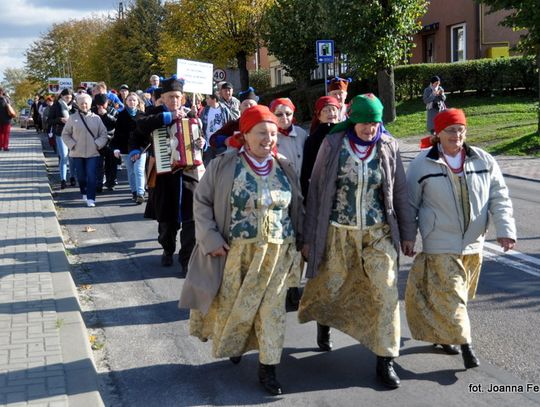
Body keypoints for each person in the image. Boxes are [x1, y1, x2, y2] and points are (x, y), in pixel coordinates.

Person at [180, 105, 304, 396]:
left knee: (272, 311)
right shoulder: (224, 165)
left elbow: (298, 206)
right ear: (245, 134)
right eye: (262, 133)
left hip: (278, 254)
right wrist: (209, 238)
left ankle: (268, 367)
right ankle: (236, 344)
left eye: (273, 133)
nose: (269, 139)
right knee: (236, 307)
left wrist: (303, 242)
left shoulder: (284, 165)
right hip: (236, 254)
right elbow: (201, 203)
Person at [298, 94, 416, 389]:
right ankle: (324, 323)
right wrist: (311, 238)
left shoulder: (388, 146)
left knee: (386, 292)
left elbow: (399, 191)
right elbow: (315, 193)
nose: (370, 129)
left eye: (375, 123)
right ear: (353, 120)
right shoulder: (334, 145)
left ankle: (385, 360)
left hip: (379, 234)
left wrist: (409, 234)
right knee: (331, 286)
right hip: (339, 232)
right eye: (364, 123)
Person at [405, 108, 516, 369]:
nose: (457, 135)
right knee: (453, 297)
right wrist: (409, 237)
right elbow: (410, 204)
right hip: (439, 241)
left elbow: (499, 197)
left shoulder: (483, 160)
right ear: (437, 134)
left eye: (460, 129)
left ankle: (446, 335)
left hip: (473, 243)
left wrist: (505, 230)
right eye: (450, 130)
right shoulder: (422, 163)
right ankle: (467, 346)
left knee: (459, 297)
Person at [129, 75, 205, 270]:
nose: (174, 100)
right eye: (170, 96)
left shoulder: (191, 116)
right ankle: (168, 248)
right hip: (164, 176)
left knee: (191, 219)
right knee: (167, 222)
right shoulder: (153, 114)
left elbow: (198, 139)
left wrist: (201, 143)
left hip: (189, 174)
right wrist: (136, 149)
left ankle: (186, 259)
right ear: (162, 97)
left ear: (183, 97)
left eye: (178, 96)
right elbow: (138, 130)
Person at [61, 93, 109, 207]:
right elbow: (65, 134)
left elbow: (104, 134)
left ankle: (91, 198)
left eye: (86, 103)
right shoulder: (73, 118)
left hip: (93, 153)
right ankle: (83, 191)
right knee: (81, 176)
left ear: (90, 104)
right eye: (81, 103)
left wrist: (97, 144)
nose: (84, 105)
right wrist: (72, 145)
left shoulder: (96, 118)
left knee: (91, 175)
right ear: (78, 104)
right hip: (77, 153)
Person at [300, 96, 341, 199]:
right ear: (319, 116)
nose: (330, 113)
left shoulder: (345, 133)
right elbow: (307, 169)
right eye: (326, 110)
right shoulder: (313, 139)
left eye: (333, 109)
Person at [112, 92, 146, 204]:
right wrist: (116, 148)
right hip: (125, 148)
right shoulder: (121, 115)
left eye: (134, 100)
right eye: (130, 100)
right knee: (131, 171)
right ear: (126, 101)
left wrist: (143, 148)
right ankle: (134, 192)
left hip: (140, 148)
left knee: (139, 170)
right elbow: (117, 133)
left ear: (137, 102)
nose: (132, 102)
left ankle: (141, 193)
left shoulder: (142, 115)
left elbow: (146, 134)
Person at [208, 87, 258, 154]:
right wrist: (226, 140)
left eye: (251, 105)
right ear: (240, 107)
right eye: (245, 105)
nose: (248, 107)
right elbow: (213, 139)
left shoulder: (264, 125)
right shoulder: (234, 124)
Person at [49, 88, 77, 189]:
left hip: (74, 134)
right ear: (61, 96)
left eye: (70, 98)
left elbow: (81, 117)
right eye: (66, 97)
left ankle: (72, 177)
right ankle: (63, 179)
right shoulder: (56, 106)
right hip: (60, 133)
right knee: (64, 156)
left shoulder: (74, 106)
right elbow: (49, 120)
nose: (68, 100)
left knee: (73, 156)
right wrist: (60, 119)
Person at [92, 93, 119, 191]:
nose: (101, 107)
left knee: (111, 164)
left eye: (103, 104)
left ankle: (110, 182)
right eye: (99, 104)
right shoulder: (92, 111)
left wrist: (107, 115)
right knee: (98, 164)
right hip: (97, 141)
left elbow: (117, 123)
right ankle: (98, 184)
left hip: (110, 140)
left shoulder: (112, 110)